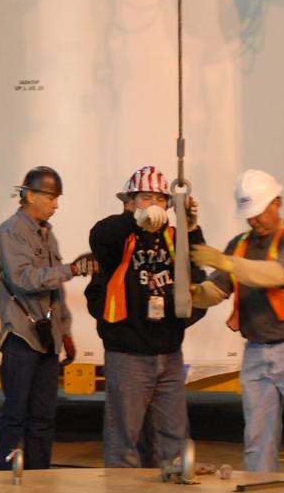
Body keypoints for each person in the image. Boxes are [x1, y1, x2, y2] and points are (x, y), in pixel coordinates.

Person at [189, 169, 284, 472]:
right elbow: (216, 290)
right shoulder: (240, 244)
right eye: (249, 215)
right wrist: (192, 292)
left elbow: (277, 274)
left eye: (258, 212)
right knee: (257, 438)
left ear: (276, 203)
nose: (254, 220)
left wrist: (225, 262)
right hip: (256, 351)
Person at [86, 166, 207, 468]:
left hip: (169, 354)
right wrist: (136, 220)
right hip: (128, 355)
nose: (153, 204)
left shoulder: (174, 238)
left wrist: (191, 229)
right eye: (145, 197)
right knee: (124, 439)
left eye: (159, 198)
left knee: (173, 437)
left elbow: (198, 270)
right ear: (129, 202)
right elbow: (100, 235)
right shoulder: (117, 239)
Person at [0, 166, 95, 471]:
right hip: (22, 338)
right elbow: (24, 278)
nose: (56, 204)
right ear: (30, 196)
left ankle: (40, 477)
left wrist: (64, 332)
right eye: (51, 197)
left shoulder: (47, 234)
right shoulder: (11, 231)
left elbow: (55, 292)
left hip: (47, 339)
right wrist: (72, 270)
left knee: (44, 415)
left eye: (56, 198)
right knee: (15, 414)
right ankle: (5, 476)